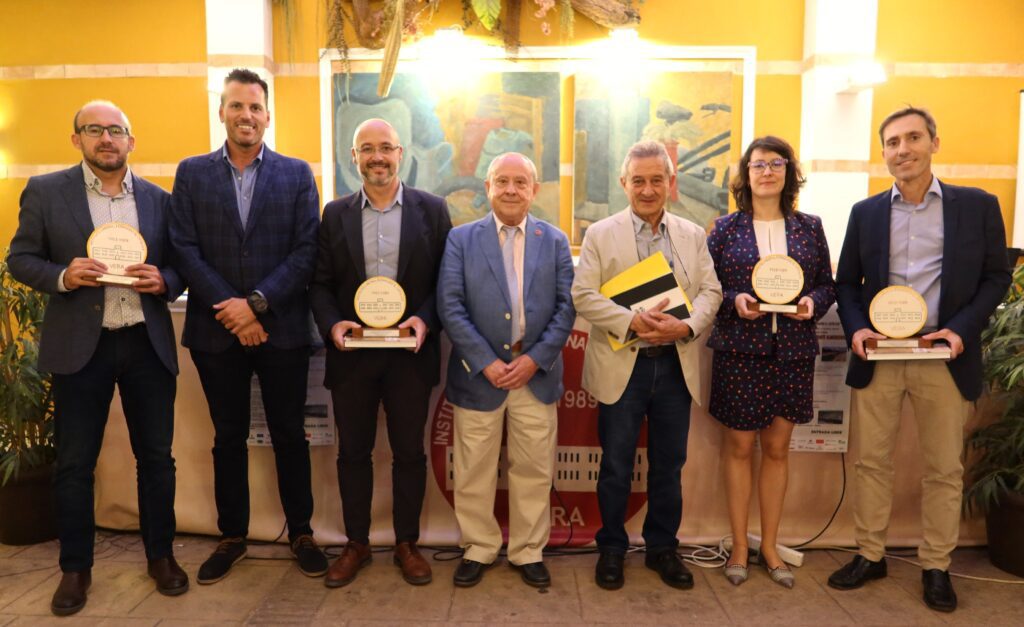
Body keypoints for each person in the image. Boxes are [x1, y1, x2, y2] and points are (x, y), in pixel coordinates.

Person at [7, 100, 188, 615]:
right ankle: (75, 569)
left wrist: (166, 281)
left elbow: (178, 265)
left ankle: (161, 558)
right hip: (80, 346)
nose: (106, 139)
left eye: (116, 130)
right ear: (77, 140)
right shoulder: (46, 192)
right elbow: (20, 258)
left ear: (132, 141)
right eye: (94, 130)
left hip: (144, 343)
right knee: (74, 464)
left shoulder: (159, 200)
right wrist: (64, 275)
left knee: (156, 459)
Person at [830, 107, 1010, 612]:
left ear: (934, 142)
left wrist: (961, 329)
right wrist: (858, 327)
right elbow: (847, 284)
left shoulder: (976, 206)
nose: (902, 149)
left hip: (942, 353)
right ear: (883, 151)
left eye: (912, 138)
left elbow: (996, 276)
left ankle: (936, 565)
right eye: (891, 142)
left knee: (943, 469)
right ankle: (870, 553)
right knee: (870, 463)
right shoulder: (865, 212)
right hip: (881, 355)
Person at [169, 69, 327, 583]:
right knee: (228, 436)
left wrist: (256, 305)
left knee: (289, 434)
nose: (247, 116)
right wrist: (234, 311)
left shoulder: (297, 173)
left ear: (267, 114)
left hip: (280, 329)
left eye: (255, 107)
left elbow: (307, 251)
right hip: (216, 331)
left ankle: (301, 531)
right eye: (237, 106)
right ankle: (231, 535)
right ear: (222, 111)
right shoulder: (191, 173)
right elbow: (184, 249)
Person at [571, 140, 723, 590]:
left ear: (671, 183)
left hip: (675, 364)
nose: (648, 189)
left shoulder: (693, 235)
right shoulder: (600, 234)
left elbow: (711, 292)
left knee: (668, 465)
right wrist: (631, 320)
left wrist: (688, 328)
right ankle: (612, 550)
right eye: (638, 180)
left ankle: (662, 549)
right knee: (616, 464)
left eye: (657, 179)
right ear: (624, 183)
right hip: (625, 364)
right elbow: (583, 295)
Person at [309, 118, 452, 588]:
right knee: (353, 453)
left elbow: (444, 283)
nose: (377, 157)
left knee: (409, 453)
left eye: (386, 148)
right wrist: (333, 324)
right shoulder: (335, 214)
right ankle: (357, 544)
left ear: (401, 152)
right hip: (352, 356)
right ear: (354, 157)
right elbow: (321, 284)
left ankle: (407, 543)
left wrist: (425, 320)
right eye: (366, 148)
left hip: (411, 355)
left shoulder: (432, 211)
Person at [437, 153, 575, 588]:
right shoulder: (461, 239)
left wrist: (534, 359)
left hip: (535, 375)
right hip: (481, 375)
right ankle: (478, 546)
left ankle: (528, 550)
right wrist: (488, 362)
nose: (512, 189)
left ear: (534, 190)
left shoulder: (554, 240)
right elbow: (450, 305)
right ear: (488, 187)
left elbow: (567, 306)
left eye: (521, 182)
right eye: (503, 181)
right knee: (474, 467)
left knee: (533, 468)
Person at [705, 136, 836, 588]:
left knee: (778, 451)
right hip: (740, 351)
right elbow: (708, 289)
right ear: (745, 175)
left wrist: (811, 304)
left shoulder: (809, 227)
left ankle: (771, 548)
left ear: (789, 172)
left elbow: (826, 285)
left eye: (776, 163)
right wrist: (734, 298)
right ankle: (740, 546)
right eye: (758, 164)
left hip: (793, 353)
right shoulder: (724, 229)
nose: (767, 171)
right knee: (740, 450)